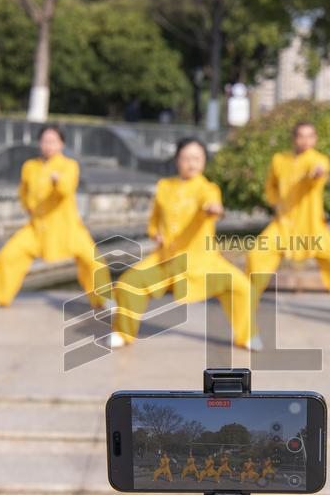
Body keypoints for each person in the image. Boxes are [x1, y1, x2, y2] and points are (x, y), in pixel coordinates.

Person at [108, 138, 260, 350]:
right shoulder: (164, 187)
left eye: (197, 158)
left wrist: (212, 209)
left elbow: (210, 202)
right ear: (177, 160)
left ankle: (247, 336)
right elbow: (154, 222)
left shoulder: (208, 188)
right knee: (128, 283)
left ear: (204, 162)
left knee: (242, 287)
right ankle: (122, 333)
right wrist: (156, 234)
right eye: (186, 158)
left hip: (202, 262)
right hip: (166, 260)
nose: (191, 163)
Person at [0, 125, 111, 310]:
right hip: (37, 227)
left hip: (67, 227)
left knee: (93, 260)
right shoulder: (30, 166)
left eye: (53, 141)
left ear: (61, 144)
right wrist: (31, 209)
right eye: (45, 141)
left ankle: (102, 298)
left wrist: (57, 181)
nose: (48, 145)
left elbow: (67, 188)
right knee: (9, 255)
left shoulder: (69, 165)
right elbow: (24, 192)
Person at [246, 122, 330, 319]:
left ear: (315, 139)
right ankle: (247, 299)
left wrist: (316, 174)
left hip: (313, 227)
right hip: (283, 225)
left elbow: (316, 173)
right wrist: (274, 202)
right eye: (301, 136)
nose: (305, 141)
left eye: (309, 136)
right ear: (294, 138)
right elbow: (270, 185)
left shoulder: (319, 160)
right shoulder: (279, 160)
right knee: (256, 256)